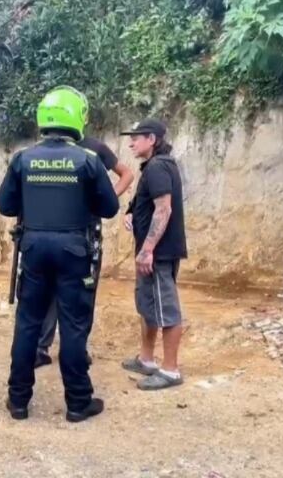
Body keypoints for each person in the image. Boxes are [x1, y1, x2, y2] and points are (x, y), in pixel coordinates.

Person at [0, 86, 119, 422]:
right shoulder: (88, 161)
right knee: (74, 326)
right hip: (74, 251)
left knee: (27, 324)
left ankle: (18, 401)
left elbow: (5, 204)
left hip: (33, 249)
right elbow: (109, 208)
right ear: (77, 118)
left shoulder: (23, 159)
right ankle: (78, 403)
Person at [34, 134, 134, 368]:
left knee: (84, 289)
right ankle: (40, 346)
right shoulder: (46, 148)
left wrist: (105, 199)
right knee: (47, 288)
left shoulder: (94, 147)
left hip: (86, 231)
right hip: (53, 227)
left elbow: (126, 174)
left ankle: (77, 349)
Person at [119, 119, 188, 390]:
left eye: (136, 137)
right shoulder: (153, 167)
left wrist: (147, 250)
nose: (131, 142)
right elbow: (146, 204)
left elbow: (164, 210)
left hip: (157, 254)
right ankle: (146, 360)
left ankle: (170, 371)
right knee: (148, 306)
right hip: (151, 253)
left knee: (166, 310)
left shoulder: (159, 167)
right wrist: (131, 214)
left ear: (152, 139)